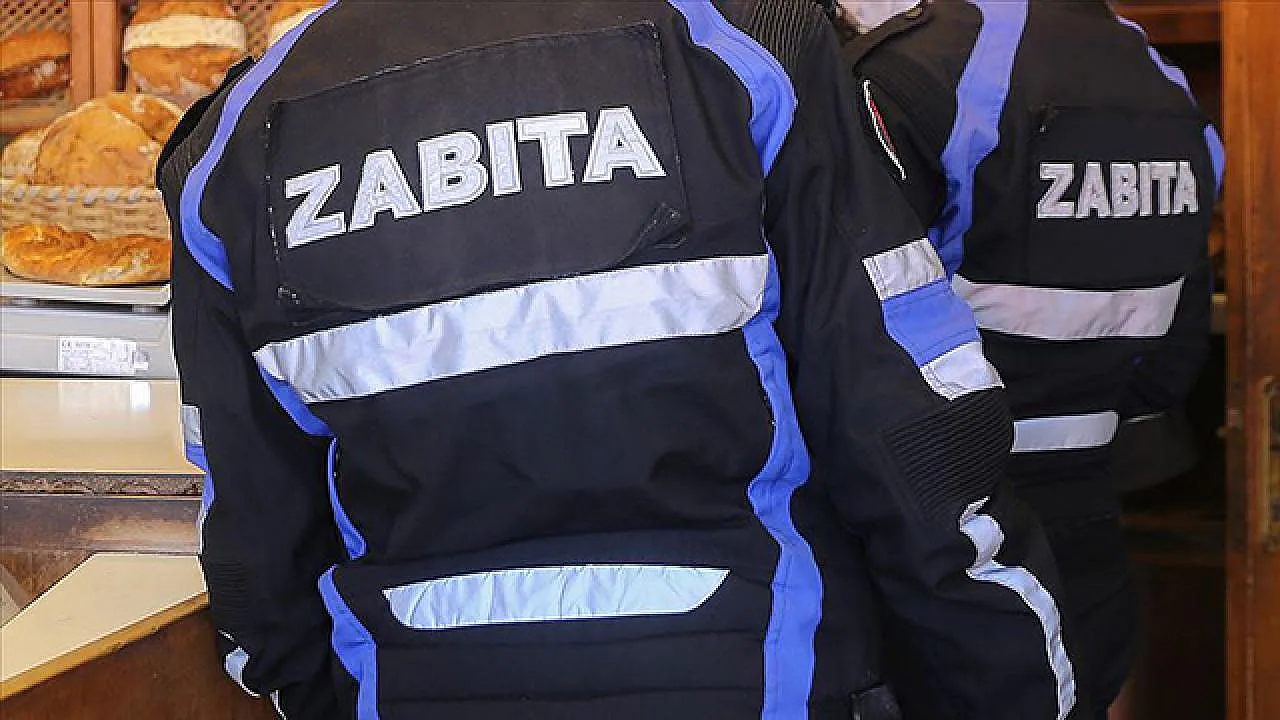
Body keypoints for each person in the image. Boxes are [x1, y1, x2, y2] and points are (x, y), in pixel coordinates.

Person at [159, 1, 1085, 717]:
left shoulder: (234, 138)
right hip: (764, 680)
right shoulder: (747, 45)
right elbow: (919, 446)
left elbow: (254, 553)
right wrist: (1007, 688)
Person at [836, 0, 1223, 716]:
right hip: (1091, 535)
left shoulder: (917, 69)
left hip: (936, 556)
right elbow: (1172, 360)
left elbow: (846, 341)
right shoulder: (1165, 84)